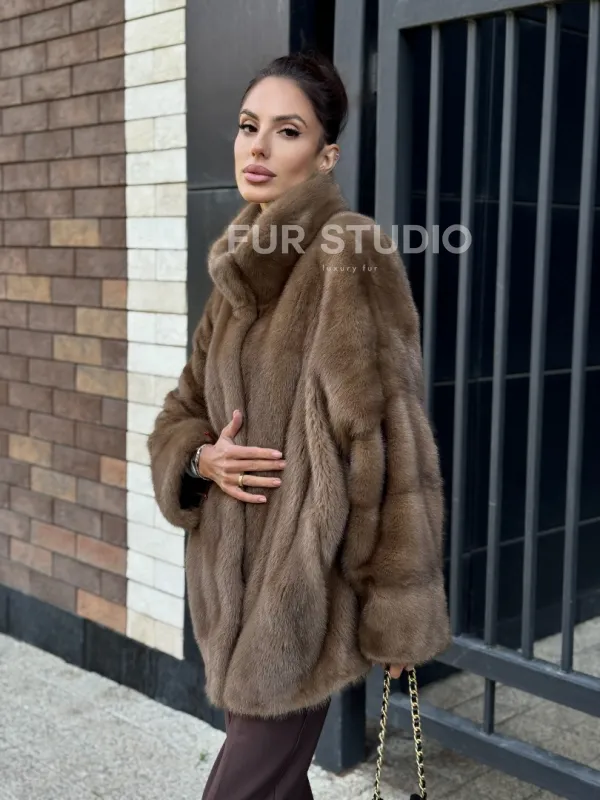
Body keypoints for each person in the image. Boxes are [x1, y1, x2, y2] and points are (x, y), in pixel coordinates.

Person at [148, 51, 451, 800]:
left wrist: (399, 612)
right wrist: (199, 460)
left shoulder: (350, 252)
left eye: (287, 131)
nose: (257, 147)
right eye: (248, 126)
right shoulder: (235, 273)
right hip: (227, 594)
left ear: (325, 155)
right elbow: (183, 409)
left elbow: (391, 440)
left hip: (302, 601)